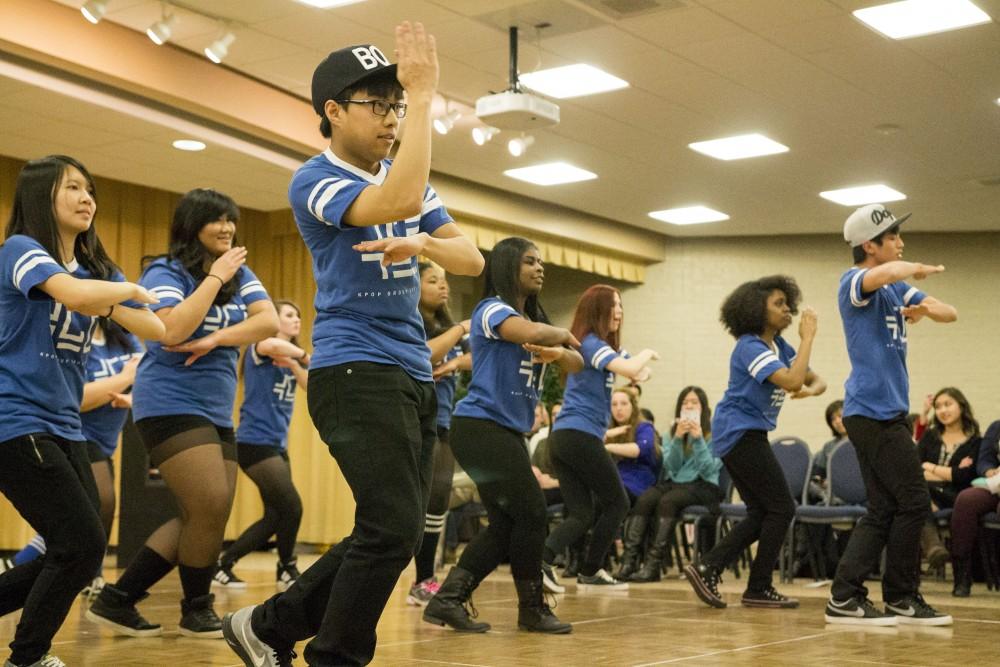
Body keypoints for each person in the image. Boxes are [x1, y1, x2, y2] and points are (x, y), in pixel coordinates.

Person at [223, 23, 484, 667]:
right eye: (380, 105)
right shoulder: (314, 179)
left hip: (411, 374)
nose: (392, 118)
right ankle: (334, 654)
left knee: (389, 532)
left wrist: (423, 242)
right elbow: (392, 198)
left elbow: (471, 258)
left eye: (397, 105)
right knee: (393, 526)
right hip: (353, 369)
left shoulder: (407, 176)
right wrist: (424, 97)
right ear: (333, 113)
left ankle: (267, 625)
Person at [87, 188, 279, 639]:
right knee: (208, 504)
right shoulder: (165, 270)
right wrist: (213, 280)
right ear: (192, 226)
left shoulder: (239, 271)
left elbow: (267, 321)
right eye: (217, 220)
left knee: (206, 513)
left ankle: (118, 598)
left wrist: (216, 339)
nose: (228, 228)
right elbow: (171, 329)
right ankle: (197, 607)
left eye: (232, 220)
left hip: (215, 407)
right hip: (168, 401)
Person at [0, 155, 163, 667]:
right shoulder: (20, 250)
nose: (87, 197)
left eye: (90, 188)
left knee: (79, 549)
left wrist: (111, 301)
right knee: (80, 542)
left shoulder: (98, 274)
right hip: (15, 418)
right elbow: (70, 294)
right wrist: (128, 291)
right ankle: (28, 656)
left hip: (66, 423)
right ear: (40, 195)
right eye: (73, 187)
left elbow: (158, 331)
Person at [422, 236, 582, 635]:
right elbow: (528, 332)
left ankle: (447, 599)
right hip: (480, 427)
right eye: (530, 261)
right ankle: (532, 608)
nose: (539, 268)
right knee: (531, 511)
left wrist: (559, 351)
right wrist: (557, 336)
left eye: (541, 261)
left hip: (503, 432)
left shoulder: (536, 322)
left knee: (506, 525)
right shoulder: (491, 310)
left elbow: (577, 362)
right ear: (508, 267)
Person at [825, 203, 957, 626]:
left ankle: (845, 597)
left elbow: (948, 312)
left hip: (886, 415)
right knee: (915, 500)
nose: (900, 242)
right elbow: (880, 275)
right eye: (893, 237)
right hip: (871, 412)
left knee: (883, 509)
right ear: (870, 244)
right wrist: (911, 267)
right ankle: (901, 597)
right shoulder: (854, 282)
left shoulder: (897, 289)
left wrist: (925, 309)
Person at [685, 275, 825, 610]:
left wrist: (808, 389)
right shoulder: (750, 346)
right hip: (738, 431)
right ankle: (754, 585)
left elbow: (814, 379)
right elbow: (792, 377)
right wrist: (808, 338)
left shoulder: (779, 347)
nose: (787, 309)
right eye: (778, 304)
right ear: (755, 309)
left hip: (749, 432)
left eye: (787, 303)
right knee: (782, 507)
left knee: (763, 511)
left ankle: (711, 567)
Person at [10, 320, 143, 598]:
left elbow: (146, 378)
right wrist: (124, 378)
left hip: (106, 441)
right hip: (76, 434)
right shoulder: (70, 338)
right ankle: (88, 576)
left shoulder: (125, 338)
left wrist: (132, 397)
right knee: (99, 505)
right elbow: (77, 397)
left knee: (83, 518)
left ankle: (18, 564)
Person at [541, 285, 658, 592]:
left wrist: (638, 369)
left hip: (567, 437)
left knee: (581, 513)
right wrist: (648, 354)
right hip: (577, 435)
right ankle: (582, 568)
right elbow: (634, 366)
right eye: (613, 306)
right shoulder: (591, 344)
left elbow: (638, 373)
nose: (619, 311)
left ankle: (555, 563)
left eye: (620, 305)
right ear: (597, 311)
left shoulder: (603, 349)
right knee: (617, 502)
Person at [214, 300, 309, 591]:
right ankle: (287, 567)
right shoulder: (261, 348)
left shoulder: (290, 359)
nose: (297, 321)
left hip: (277, 445)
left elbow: (310, 384)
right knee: (292, 507)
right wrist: (303, 354)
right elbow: (270, 346)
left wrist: (296, 363)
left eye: (299, 316)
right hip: (253, 443)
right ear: (274, 320)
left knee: (275, 516)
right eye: (290, 315)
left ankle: (223, 565)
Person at [406, 262, 471, 606]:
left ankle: (424, 578)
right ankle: (419, 577)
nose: (443, 287)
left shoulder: (450, 327)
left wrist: (454, 364)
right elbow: (424, 355)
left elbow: (477, 358)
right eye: (433, 281)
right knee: (419, 501)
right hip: (417, 419)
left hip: (444, 419)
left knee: (439, 499)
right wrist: (458, 333)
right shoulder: (411, 322)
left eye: (445, 281)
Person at [625, 386, 722, 583]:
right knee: (646, 498)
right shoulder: (672, 433)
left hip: (704, 485)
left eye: (694, 403)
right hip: (677, 483)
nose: (689, 406)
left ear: (703, 408)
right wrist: (678, 438)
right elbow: (671, 466)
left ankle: (653, 565)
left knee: (668, 501)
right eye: (685, 403)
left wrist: (698, 439)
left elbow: (708, 469)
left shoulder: (715, 434)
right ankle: (628, 563)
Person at [916, 387, 981, 574]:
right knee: (915, 493)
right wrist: (950, 472)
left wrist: (930, 467)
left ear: (961, 406)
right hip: (927, 492)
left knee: (916, 497)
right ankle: (934, 547)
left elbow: (964, 477)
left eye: (948, 404)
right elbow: (915, 466)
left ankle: (932, 546)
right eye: (938, 406)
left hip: (957, 497)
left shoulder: (975, 442)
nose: (943, 411)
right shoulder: (930, 436)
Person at [952, 420, 1000, 596]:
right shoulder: (996, 427)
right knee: (966, 500)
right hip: (995, 484)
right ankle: (962, 576)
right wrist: (989, 471)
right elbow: (984, 461)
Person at [808, 400, 850, 504]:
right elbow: (818, 474)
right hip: (829, 490)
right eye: (832, 419)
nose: (837, 421)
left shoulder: (863, 442)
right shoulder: (829, 446)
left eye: (840, 416)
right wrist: (822, 481)